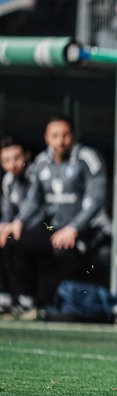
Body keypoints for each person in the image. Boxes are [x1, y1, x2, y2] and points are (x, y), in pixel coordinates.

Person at [0, 117, 111, 317]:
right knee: (14, 240)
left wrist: (74, 228)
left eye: (65, 135)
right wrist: (18, 222)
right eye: (55, 136)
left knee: (63, 250)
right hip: (54, 228)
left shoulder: (88, 158)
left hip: (87, 231)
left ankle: (73, 305)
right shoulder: (42, 163)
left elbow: (96, 200)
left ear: (73, 136)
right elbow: (34, 201)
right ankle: (23, 301)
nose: (60, 141)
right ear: (46, 138)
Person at [0, 136, 33, 318]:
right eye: (6, 160)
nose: (12, 164)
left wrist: (15, 224)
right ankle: (4, 299)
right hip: (18, 226)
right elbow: (7, 212)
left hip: (41, 226)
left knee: (15, 241)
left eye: (16, 158)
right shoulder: (8, 181)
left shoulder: (37, 175)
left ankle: (25, 300)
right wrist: (4, 226)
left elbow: (38, 208)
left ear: (27, 156)